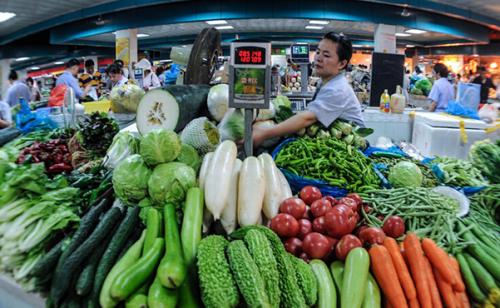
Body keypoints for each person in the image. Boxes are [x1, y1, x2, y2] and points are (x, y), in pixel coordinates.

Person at [253, 32, 364, 147]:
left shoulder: (338, 89)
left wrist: (264, 134)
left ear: (341, 63)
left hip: (352, 148)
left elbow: (307, 118)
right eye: (318, 52)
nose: (318, 58)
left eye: (326, 55)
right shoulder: (325, 81)